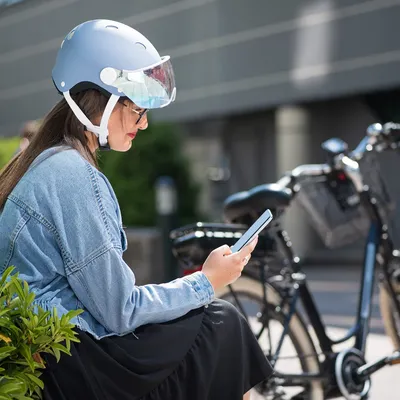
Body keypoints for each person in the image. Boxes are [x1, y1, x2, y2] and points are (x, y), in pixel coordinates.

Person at [0, 19, 273, 400]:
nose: (143, 123)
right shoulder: (71, 173)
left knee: (215, 326)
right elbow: (120, 312)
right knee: (220, 325)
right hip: (70, 364)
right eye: (136, 109)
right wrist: (207, 280)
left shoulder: (50, 163)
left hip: (56, 359)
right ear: (101, 99)